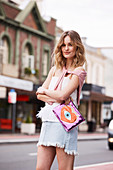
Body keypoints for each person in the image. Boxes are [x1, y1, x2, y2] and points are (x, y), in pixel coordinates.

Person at [36, 30, 87, 170]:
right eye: (63, 45)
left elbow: (62, 95)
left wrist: (46, 91)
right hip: (48, 121)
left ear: (77, 47)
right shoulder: (54, 70)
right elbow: (39, 95)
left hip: (65, 123)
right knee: (41, 168)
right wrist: (54, 96)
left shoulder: (79, 72)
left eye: (70, 44)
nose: (66, 48)